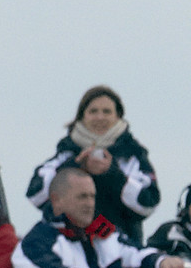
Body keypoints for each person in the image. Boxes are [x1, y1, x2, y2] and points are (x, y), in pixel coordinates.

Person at [12, 166, 187, 268]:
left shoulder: (104, 232)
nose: (89, 204)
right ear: (57, 201)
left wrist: (161, 261)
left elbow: (133, 253)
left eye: (92, 196)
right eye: (82, 197)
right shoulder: (35, 244)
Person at [26, 86, 159, 245]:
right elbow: (36, 196)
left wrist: (112, 174)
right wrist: (75, 167)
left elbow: (146, 205)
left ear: (118, 116)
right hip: (67, 250)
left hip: (120, 253)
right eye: (93, 111)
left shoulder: (132, 156)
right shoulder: (66, 153)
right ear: (82, 116)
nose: (100, 117)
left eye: (107, 112)